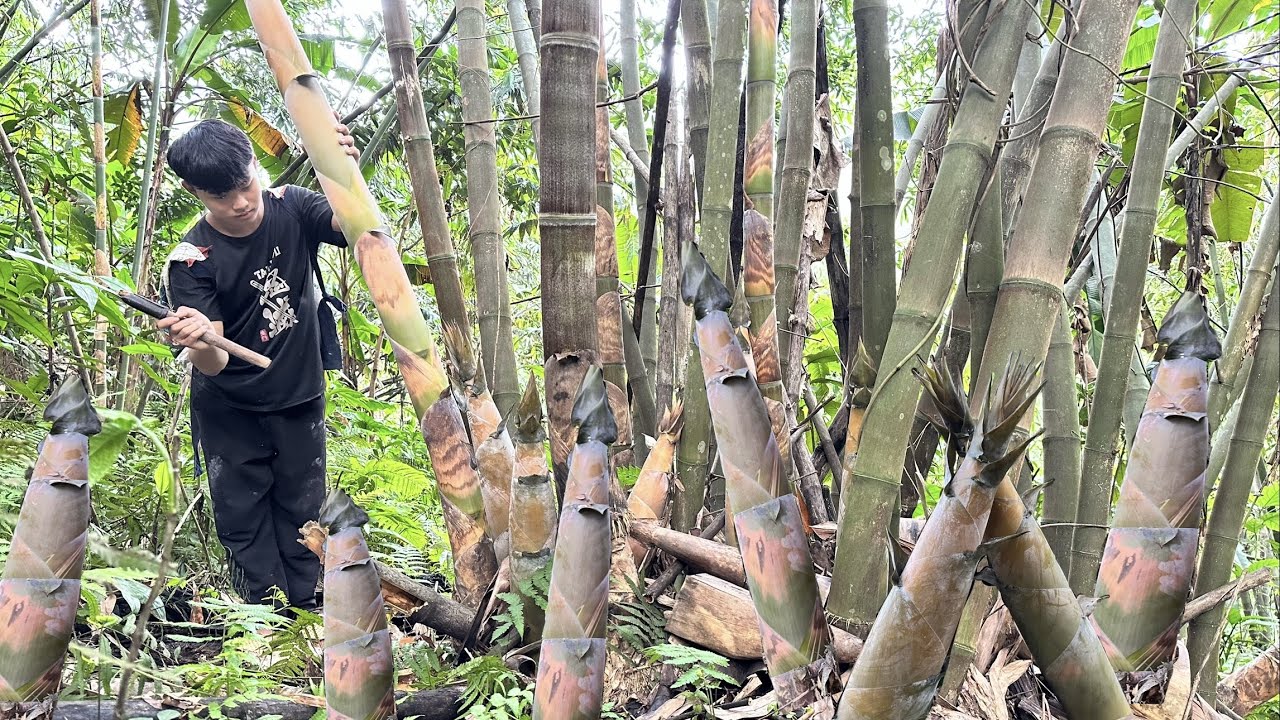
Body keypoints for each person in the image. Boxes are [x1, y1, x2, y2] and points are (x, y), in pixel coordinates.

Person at [158, 118, 357, 612]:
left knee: (303, 509)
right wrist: (197, 337)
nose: (241, 203)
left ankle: (307, 612)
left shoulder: (293, 207)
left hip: (298, 394)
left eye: (245, 184)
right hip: (230, 409)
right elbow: (214, 361)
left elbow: (355, 227)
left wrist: (343, 172)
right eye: (221, 196)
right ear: (194, 192)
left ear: (255, 164)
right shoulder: (192, 259)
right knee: (242, 516)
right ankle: (264, 620)